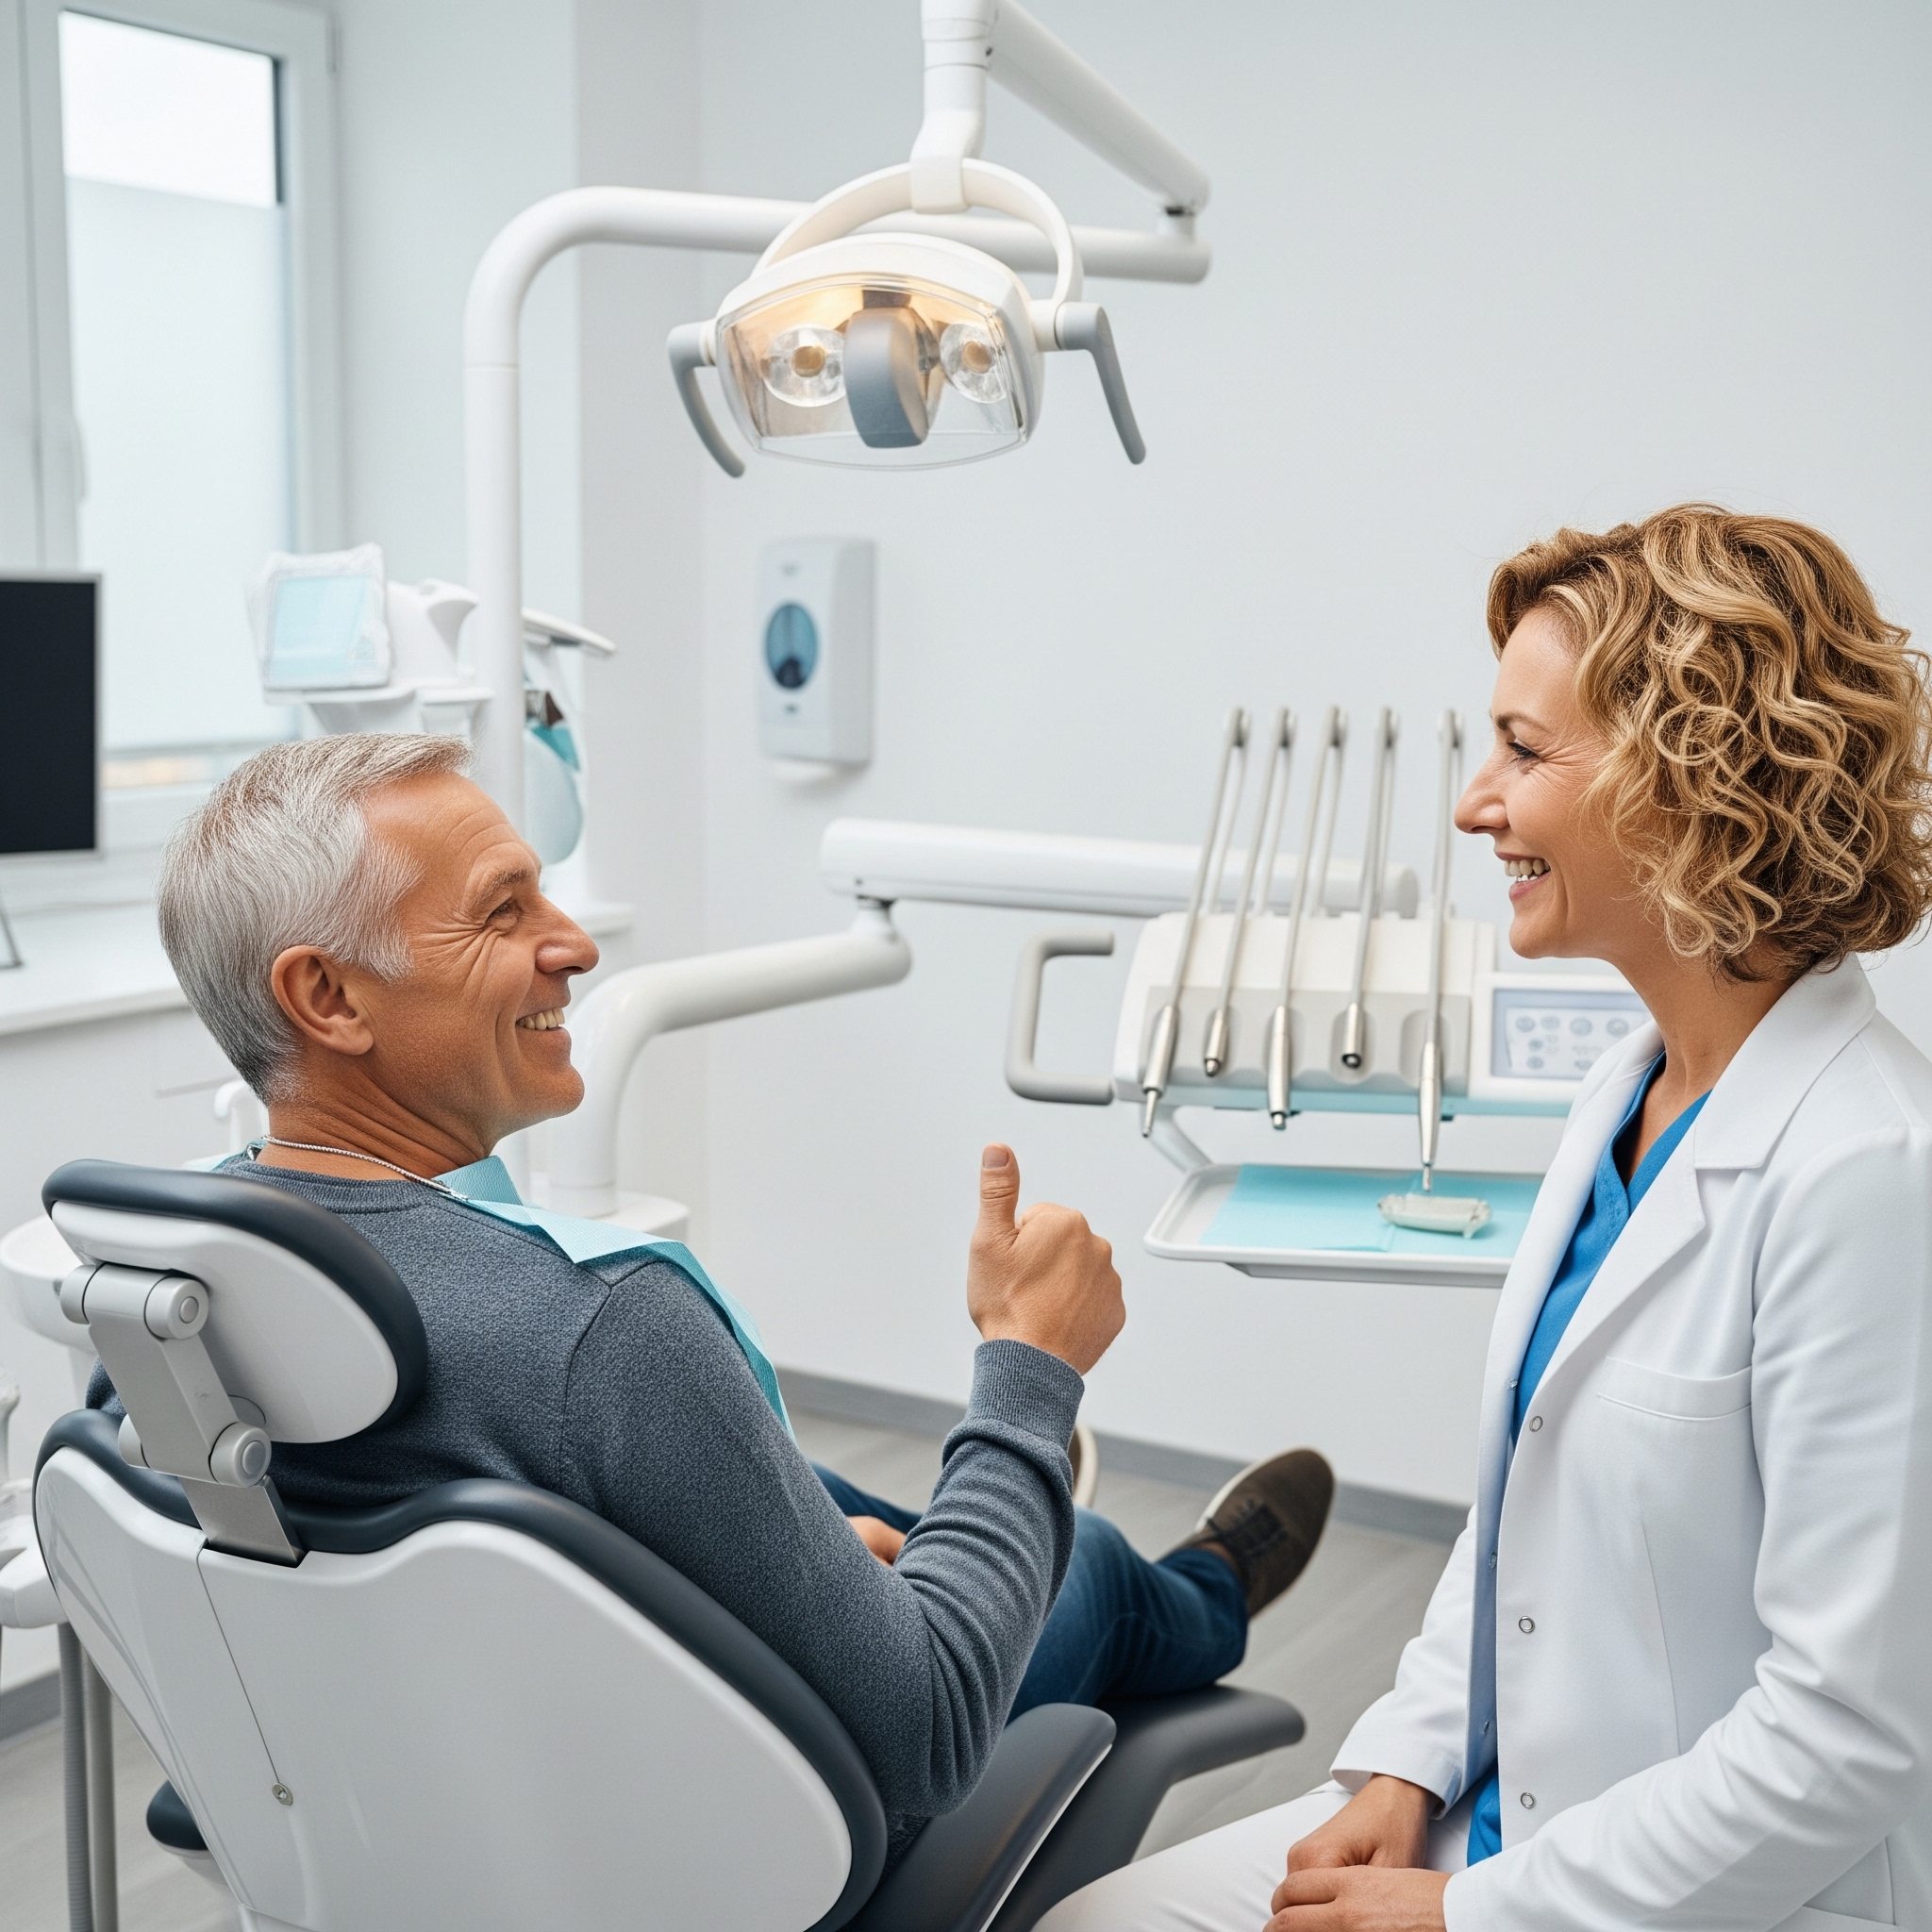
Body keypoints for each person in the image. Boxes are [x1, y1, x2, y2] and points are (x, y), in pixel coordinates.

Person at [93, 732, 1334, 1870]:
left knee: (818, 1497)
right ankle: (1203, 1586)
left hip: (408, 1811)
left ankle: (941, 1541)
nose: (575, 944)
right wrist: (1029, 1365)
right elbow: (932, 1729)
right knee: (1097, 1567)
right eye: (502, 912)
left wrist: (711, 1611)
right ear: (328, 999)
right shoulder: (603, 1328)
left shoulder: (153, 1310)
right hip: (706, 1859)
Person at [1038, 504, 1932, 1932]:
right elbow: (1523, 1518)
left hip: (1702, 1895)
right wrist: (1404, 1760)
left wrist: (1470, 1917)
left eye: (1523, 750)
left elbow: (1847, 1740)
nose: (1473, 802)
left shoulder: (1868, 1174)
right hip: (1498, 1815)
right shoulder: (1626, 1094)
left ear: (1691, 777)